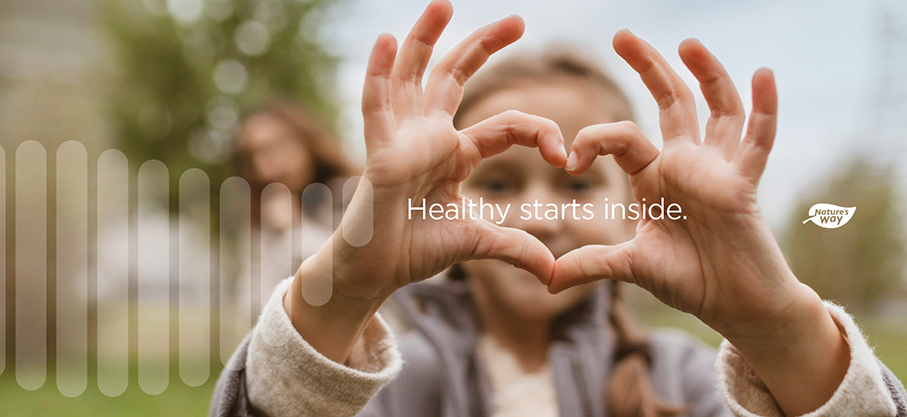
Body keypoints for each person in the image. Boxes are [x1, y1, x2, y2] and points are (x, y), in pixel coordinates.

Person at [211, 2, 907, 416]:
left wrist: (779, 327)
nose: (540, 215)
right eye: (498, 184)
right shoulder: (387, 382)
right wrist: (344, 294)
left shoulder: (683, 380)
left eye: (577, 186)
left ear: (639, 208)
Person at [230, 97, 357, 308]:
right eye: (252, 156)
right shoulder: (265, 215)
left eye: (274, 148)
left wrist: (294, 230)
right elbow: (253, 304)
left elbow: (353, 275)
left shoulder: (351, 196)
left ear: (306, 142)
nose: (264, 168)